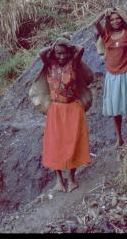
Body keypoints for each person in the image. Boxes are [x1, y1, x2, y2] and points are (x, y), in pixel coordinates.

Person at [38, 37, 91, 193]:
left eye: (64, 53)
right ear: (54, 53)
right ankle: (59, 180)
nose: (61, 56)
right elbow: (41, 53)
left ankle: (72, 178)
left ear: (69, 53)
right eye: (58, 53)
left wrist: (67, 44)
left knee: (73, 143)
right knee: (56, 145)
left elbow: (80, 48)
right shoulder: (50, 64)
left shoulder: (73, 63)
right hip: (56, 110)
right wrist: (55, 45)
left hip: (73, 109)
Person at [94, 7, 127, 147]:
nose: (115, 21)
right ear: (109, 21)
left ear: (122, 20)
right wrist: (104, 12)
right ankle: (119, 138)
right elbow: (95, 24)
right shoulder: (106, 35)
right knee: (115, 109)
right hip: (112, 76)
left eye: (118, 18)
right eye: (112, 19)